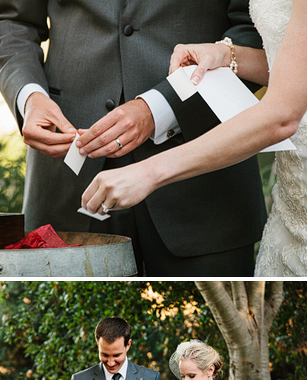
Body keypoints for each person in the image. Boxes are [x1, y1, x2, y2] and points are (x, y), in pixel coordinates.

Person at [0, 0, 267, 276]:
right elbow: (13, 21)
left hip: (204, 186)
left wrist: (159, 109)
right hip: (67, 177)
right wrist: (30, 97)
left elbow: (256, 34)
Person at [81, 0, 307, 276]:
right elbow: (293, 68)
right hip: (293, 202)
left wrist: (148, 172)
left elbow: (283, 116)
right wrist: (228, 55)